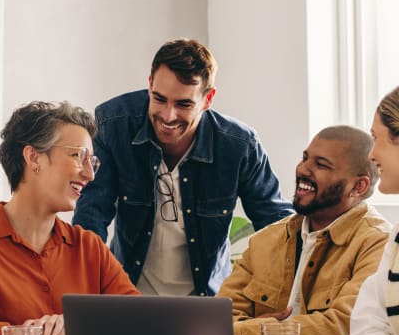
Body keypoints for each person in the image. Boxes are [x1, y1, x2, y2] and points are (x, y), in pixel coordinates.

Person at [72, 38, 293, 296]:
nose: (168, 116)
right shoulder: (114, 124)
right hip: (128, 295)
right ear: (150, 84)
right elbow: (91, 217)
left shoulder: (240, 146)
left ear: (208, 99)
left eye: (184, 104)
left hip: (206, 301)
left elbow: (277, 228)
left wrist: (266, 299)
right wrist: (87, 297)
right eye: (159, 99)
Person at [217, 125, 391, 335]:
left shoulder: (378, 243)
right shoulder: (267, 239)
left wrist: (258, 333)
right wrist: (245, 333)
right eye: (305, 158)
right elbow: (220, 318)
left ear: (358, 186)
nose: (303, 169)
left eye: (321, 165)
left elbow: (339, 328)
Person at [0, 101, 140, 335]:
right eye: (78, 156)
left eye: (92, 162)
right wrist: (73, 334)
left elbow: (138, 321)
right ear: (33, 158)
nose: (90, 174)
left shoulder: (89, 248)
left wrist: (72, 326)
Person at [297, 87, 399, 335]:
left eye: (378, 139)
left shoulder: (375, 237)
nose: (373, 154)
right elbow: (365, 329)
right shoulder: (398, 237)